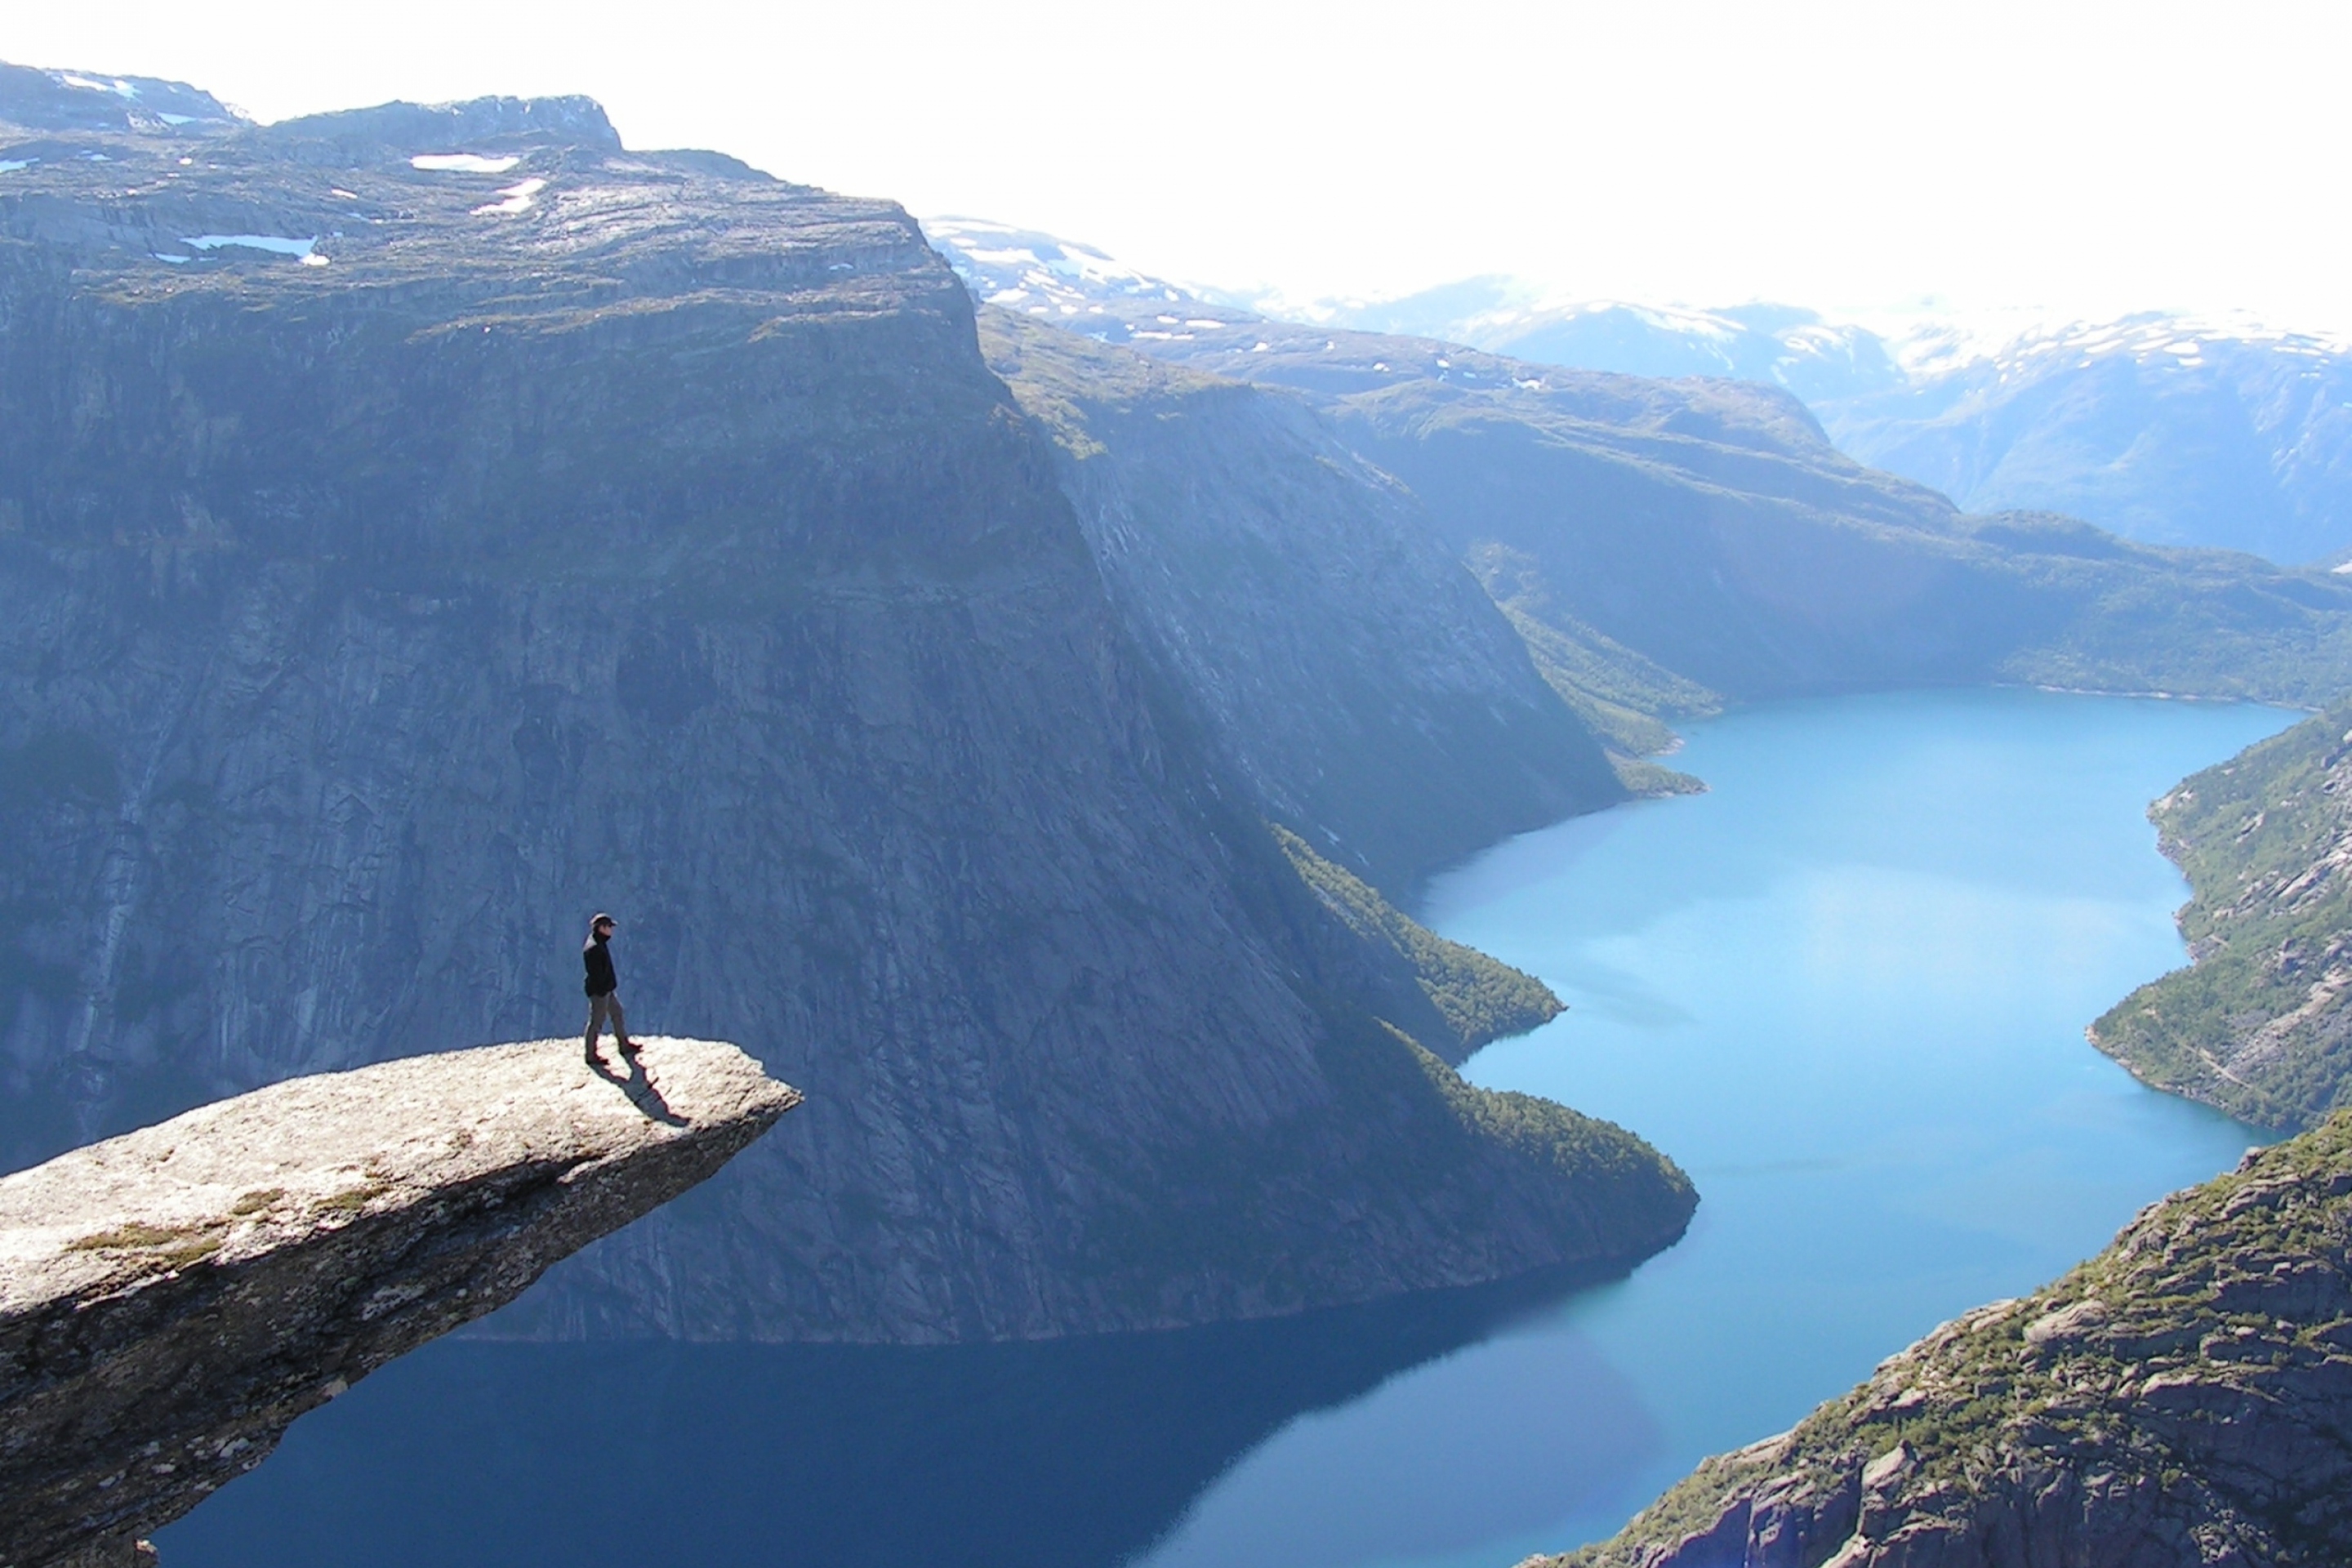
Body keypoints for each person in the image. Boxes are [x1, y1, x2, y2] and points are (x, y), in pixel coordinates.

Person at [582, 913, 638, 1062]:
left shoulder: (598, 942)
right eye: (609, 927)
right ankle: (590, 1055)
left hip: (606, 989)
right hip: (600, 992)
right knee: (596, 1022)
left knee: (617, 1013)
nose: (611, 931)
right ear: (602, 928)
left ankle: (624, 1045)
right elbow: (596, 973)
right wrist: (603, 989)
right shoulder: (594, 948)